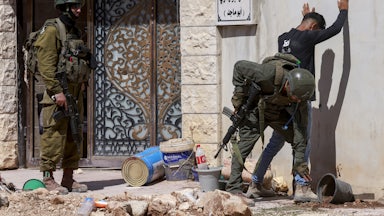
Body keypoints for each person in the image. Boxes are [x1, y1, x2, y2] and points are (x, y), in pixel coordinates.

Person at [246, 0, 349, 203]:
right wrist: (343, 10)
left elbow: (298, 35)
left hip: (283, 100)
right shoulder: (309, 37)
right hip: (300, 99)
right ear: (313, 28)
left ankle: (255, 183)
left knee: (276, 142)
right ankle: (301, 186)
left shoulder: (283, 38)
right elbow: (336, 29)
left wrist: (305, 19)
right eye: (315, 30)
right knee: (304, 141)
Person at [225, 53, 315, 199]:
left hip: (277, 112)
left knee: (301, 141)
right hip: (255, 111)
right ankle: (234, 189)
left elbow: (300, 132)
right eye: (293, 97)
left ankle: (301, 188)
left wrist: (300, 164)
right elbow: (239, 66)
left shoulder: (301, 97)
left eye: (298, 99)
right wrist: (238, 98)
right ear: (287, 84)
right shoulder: (268, 74)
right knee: (243, 148)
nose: (295, 100)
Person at [35, 0, 94, 194]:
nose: (79, 10)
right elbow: (46, 65)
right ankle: (47, 178)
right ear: (65, 7)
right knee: (53, 135)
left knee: (74, 135)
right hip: (57, 94)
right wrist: (56, 91)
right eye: (75, 6)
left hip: (75, 93)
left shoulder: (74, 31)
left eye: (80, 6)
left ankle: (68, 178)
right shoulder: (52, 30)